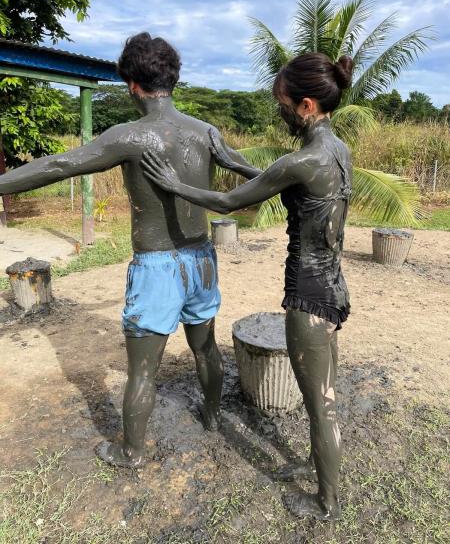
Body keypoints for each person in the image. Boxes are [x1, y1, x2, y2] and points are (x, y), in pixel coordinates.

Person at [0, 32, 258, 468]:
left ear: (133, 85)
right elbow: (260, 177)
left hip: (156, 267)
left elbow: (59, 165)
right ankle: (213, 418)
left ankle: (131, 451)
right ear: (172, 79)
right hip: (202, 262)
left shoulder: (128, 136)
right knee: (205, 350)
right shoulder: (206, 133)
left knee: (142, 370)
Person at [141, 52, 353, 520]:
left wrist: (176, 185)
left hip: (309, 299)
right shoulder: (337, 152)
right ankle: (325, 479)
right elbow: (271, 183)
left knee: (322, 409)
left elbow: (229, 202)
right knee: (327, 399)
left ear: (305, 107)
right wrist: (231, 163)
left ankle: (326, 502)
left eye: (280, 102)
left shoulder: (301, 160)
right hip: (336, 292)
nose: (277, 110)